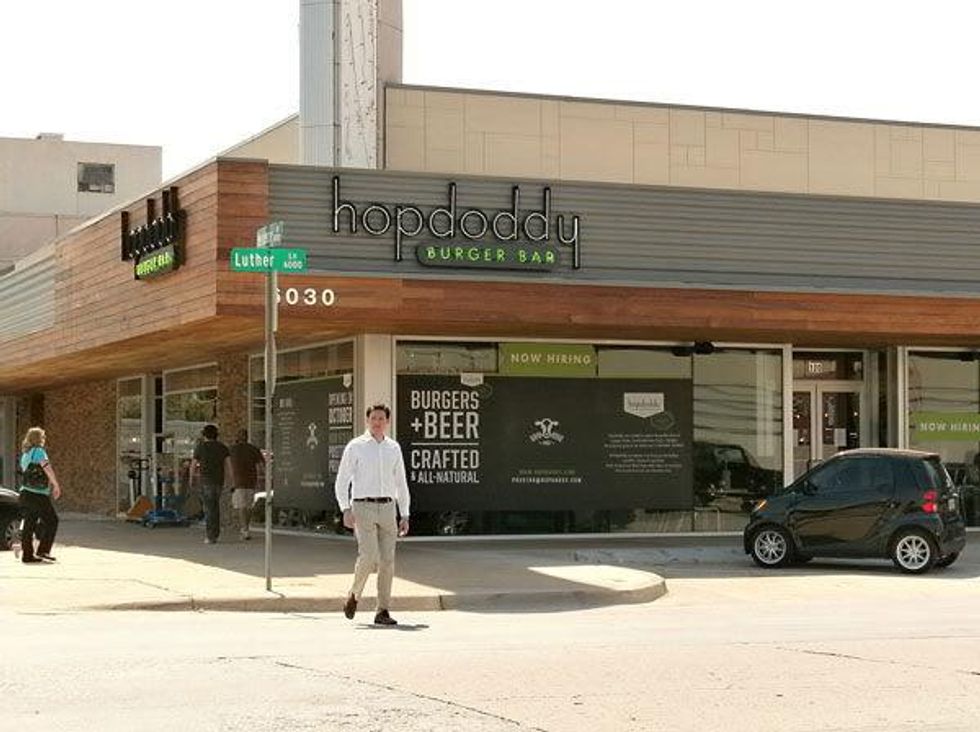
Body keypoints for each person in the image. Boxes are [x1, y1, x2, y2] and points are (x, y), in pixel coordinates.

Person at [334, 403, 410, 626]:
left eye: (381, 418)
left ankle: (382, 610)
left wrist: (404, 513)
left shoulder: (393, 448)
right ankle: (354, 595)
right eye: (373, 418)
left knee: (388, 561)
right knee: (368, 556)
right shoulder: (356, 446)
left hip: (388, 508)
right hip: (362, 507)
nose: (377, 422)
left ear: (387, 422)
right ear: (367, 421)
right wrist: (345, 508)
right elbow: (342, 480)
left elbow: (401, 483)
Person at [17, 427, 62, 564]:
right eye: (42, 437)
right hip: (38, 495)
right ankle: (43, 550)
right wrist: (56, 484)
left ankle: (28, 555)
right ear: (38, 438)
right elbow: (47, 468)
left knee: (29, 525)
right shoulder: (39, 451)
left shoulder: (25, 454)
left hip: (25, 493)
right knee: (52, 520)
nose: (44, 439)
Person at [191, 424, 232, 545]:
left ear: (204, 435)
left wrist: (191, 478)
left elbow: (193, 465)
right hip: (219, 481)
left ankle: (210, 536)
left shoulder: (200, 447)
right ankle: (216, 533)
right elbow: (229, 466)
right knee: (215, 506)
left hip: (205, 481)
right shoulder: (223, 448)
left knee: (208, 508)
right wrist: (231, 480)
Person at [229, 428, 264, 541]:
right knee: (248, 506)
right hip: (251, 481)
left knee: (241, 507)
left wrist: (230, 480)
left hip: (238, 481)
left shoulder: (232, 450)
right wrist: (260, 480)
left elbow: (228, 466)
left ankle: (244, 529)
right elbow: (260, 467)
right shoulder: (254, 449)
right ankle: (246, 528)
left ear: (238, 437)